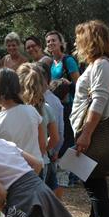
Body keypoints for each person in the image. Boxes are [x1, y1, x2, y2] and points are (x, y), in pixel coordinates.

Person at [70, 20, 109, 217]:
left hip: (93, 134)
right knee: (94, 185)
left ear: (91, 41)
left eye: (80, 39)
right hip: (88, 132)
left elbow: (98, 101)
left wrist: (86, 134)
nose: (77, 44)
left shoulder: (101, 65)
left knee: (96, 187)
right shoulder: (96, 65)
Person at [17, 63, 61, 197]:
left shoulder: (15, 110)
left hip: (20, 164)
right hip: (43, 162)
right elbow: (55, 138)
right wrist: (45, 148)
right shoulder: (46, 108)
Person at [0, 68, 44, 164]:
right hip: (35, 169)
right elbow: (42, 143)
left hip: (11, 174)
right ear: (18, 88)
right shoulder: (32, 111)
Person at [46, 30, 80, 186]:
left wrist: (67, 84)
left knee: (69, 139)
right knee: (61, 137)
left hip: (69, 105)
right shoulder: (51, 63)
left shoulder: (68, 60)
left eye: (54, 40)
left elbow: (79, 84)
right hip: (56, 105)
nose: (51, 43)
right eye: (48, 41)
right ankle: (62, 175)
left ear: (61, 43)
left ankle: (71, 176)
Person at [38, 62, 69, 199]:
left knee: (48, 188)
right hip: (48, 152)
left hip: (45, 153)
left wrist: (52, 150)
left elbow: (58, 133)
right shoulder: (54, 100)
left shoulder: (49, 102)